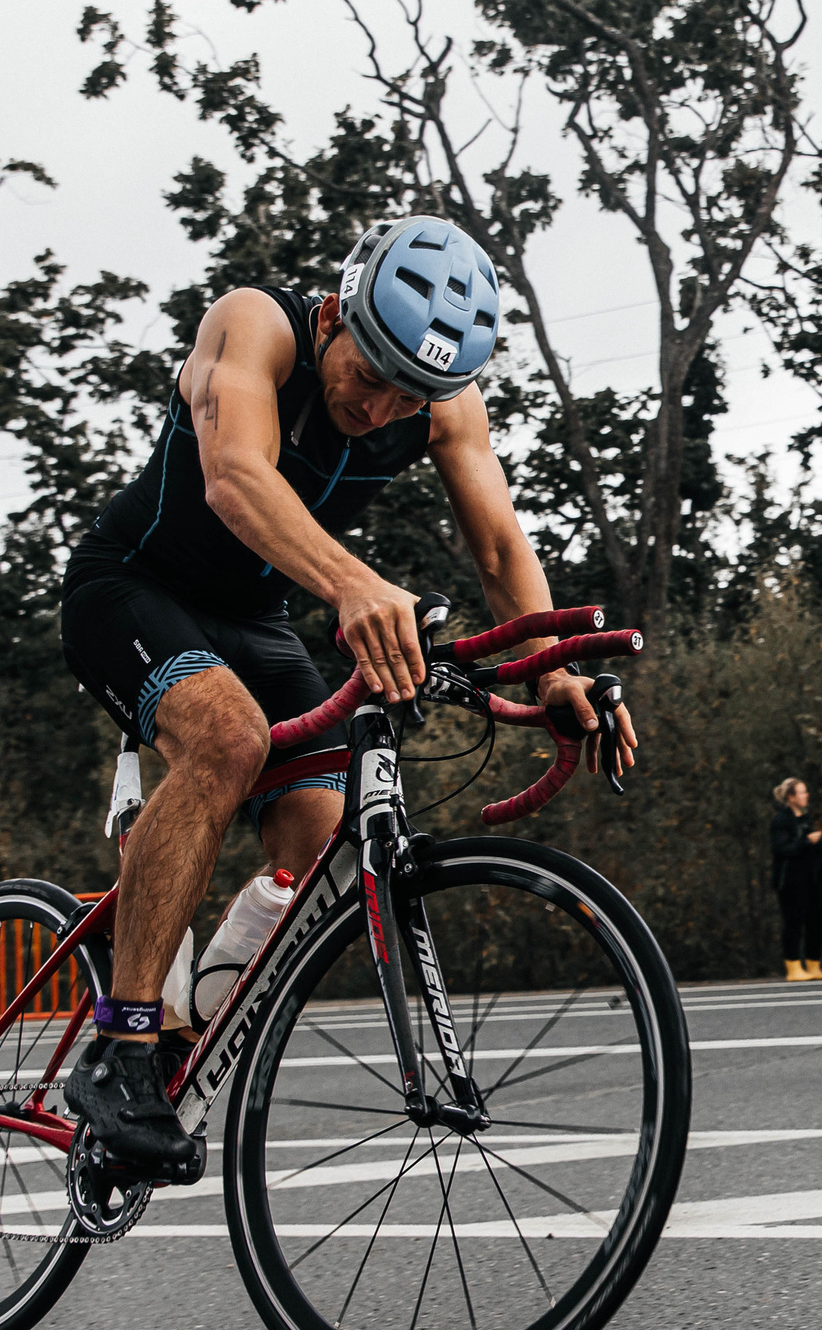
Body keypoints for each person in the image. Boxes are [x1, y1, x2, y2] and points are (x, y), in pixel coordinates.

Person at [55, 215, 635, 1174]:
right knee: (230, 741)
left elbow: (497, 548)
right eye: (366, 375)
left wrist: (555, 669)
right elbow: (235, 476)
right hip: (133, 585)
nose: (376, 408)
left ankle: (187, 1019)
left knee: (327, 851)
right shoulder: (255, 326)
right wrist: (357, 586)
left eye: (407, 397)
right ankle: (120, 1048)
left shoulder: (441, 406)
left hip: (256, 616)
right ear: (337, 314)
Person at [770, 778, 822, 981]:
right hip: (790, 881)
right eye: (801, 792)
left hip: (812, 880)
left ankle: (813, 963)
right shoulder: (781, 821)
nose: (806, 796)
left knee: (816, 920)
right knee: (794, 922)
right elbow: (782, 849)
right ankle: (793, 966)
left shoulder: (807, 819)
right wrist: (806, 842)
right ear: (791, 797)